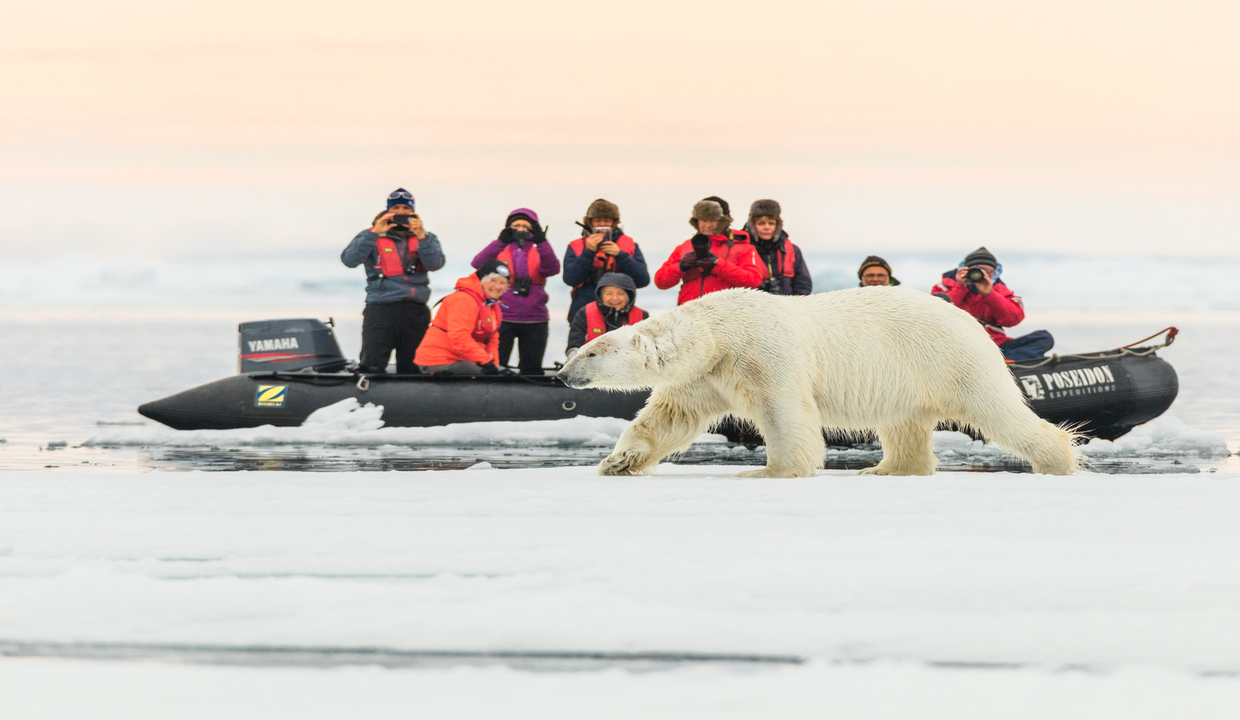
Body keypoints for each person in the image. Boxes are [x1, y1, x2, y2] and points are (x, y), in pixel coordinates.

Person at [340, 188, 446, 374]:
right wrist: (374, 232)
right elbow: (349, 260)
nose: (401, 213)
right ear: (388, 210)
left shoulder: (426, 238)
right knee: (372, 364)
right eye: (396, 208)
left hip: (415, 311)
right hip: (381, 309)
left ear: (413, 211)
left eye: (406, 208)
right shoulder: (371, 235)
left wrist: (422, 236)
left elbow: (436, 264)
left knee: (412, 367)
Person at [472, 208, 561, 375]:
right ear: (508, 228)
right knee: (498, 364)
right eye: (516, 226)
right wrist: (500, 241)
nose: (520, 229)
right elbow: (477, 264)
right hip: (503, 317)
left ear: (534, 229)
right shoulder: (500, 249)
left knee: (532, 368)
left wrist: (542, 242)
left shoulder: (539, 249)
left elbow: (553, 269)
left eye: (525, 226)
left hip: (535, 319)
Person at [931, 246, 1053, 362]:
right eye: (977, 269)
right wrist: (960, 287)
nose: (982, 274)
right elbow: (935, 318)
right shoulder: (944, 288)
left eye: (987, 271)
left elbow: (1013, 319)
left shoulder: (1000, 290)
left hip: (995, 348)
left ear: (994, 273)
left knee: (1044, 338)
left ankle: (1002, 363)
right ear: (965, 270)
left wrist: (989, 294)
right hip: (958, 348)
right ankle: (1004, 363)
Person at [654, 198, 764, 305]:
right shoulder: (685, 247)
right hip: (689, 315)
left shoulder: (743, 248)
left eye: (712, 220)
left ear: (723, 221)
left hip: (727, 315)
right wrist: (681, 267)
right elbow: (660, 282)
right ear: (696, 221)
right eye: (703, 220)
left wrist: (718, 265)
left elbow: (753, 281)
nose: (707, 225)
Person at [414, 260, 510, 375]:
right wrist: (485, 361)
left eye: (502, 282)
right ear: (482, 280)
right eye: (492, 281)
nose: (497, 286)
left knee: (500, 374)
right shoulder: (463, 299)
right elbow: (459, 336)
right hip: (438, 360)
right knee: (483, 374)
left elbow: (492, 339)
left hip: (464, 359)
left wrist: (494, 365)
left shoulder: (492, 305)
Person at [562, 199, 650, 322]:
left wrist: (620, 255)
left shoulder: (629, 245)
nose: (602, 225)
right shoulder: (575, 246)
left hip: (620, 313)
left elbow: (643, 280)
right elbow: (570, 279)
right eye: (597, 221)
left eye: (607, 221)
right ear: (590, 222)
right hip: (583, 313)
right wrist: (588, 253)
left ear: (614, 223)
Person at [565, 272, 649, 360]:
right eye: (609, 293)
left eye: (620, 293)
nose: (615, 298)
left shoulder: (643, 317)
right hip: (592, 367)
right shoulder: (584, 313)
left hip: (630, 368)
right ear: (600, 296)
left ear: (629, 297)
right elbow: (574, 346)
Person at [741, 199, 812, 295]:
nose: (767, 227)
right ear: (752, 226)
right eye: (761, 223)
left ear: (778, 226)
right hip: (753, 306)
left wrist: (796, 304)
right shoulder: (740, 249)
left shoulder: (793, 250)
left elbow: (803, 283)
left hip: (787, 306)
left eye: (771, 223)